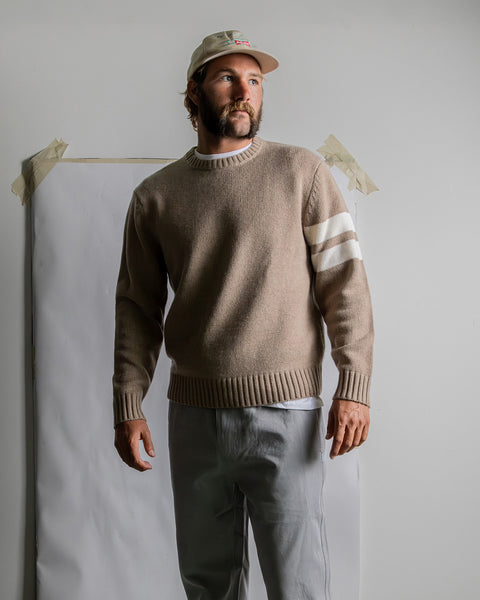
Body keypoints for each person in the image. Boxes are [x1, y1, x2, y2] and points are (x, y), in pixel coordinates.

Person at [113, 29, 374, 600]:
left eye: (254, 81)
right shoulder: (155, 196)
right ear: (194, 92)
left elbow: (345, 285)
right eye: (228, 77)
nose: (245, 92)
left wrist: (353, 385)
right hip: (195, 418)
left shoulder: (301, 172)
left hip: (287, 414)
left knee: (297, 583)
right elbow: (137, 308)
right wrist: (129, 402)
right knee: (208, 585)